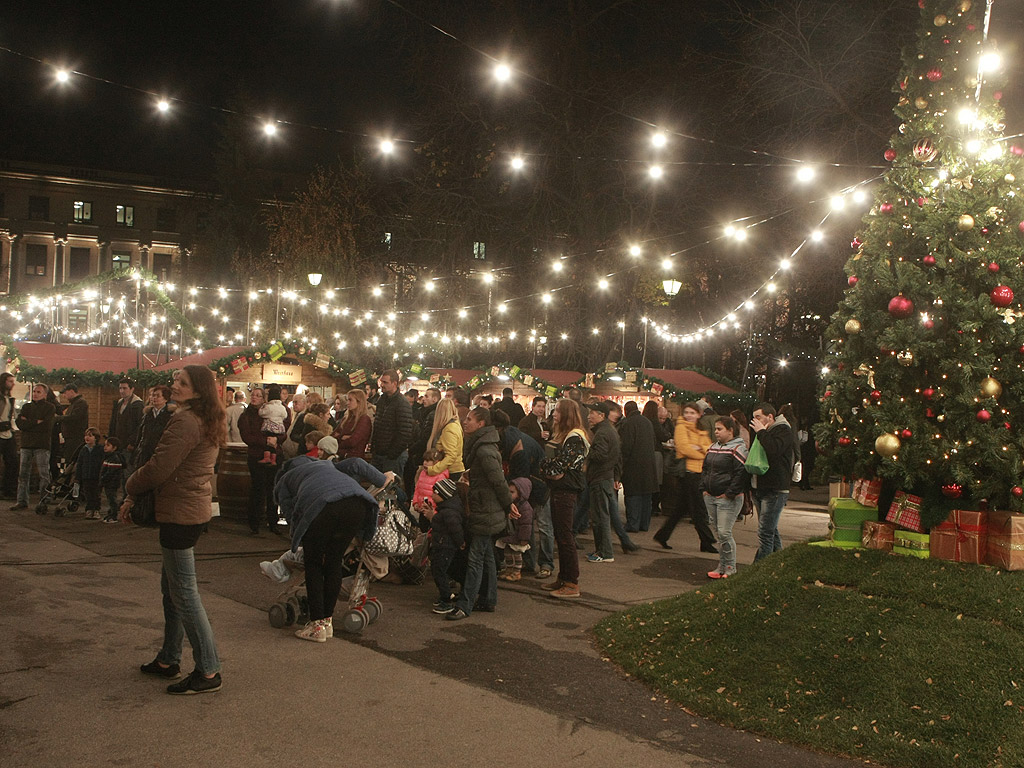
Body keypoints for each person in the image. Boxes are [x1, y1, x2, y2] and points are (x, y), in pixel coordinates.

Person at [121, 365, 226, 694]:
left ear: (198, 390)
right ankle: (168, 658)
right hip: (190, 510)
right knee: (173, 590)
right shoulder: (206, 417)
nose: (174, 385)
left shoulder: (184, 420)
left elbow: (158, 468)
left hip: (180, 513)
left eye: (183, 382)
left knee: (184, 594)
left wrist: (130, 487)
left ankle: (208, 670)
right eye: (175, 380)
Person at [274, 455, 395, 642]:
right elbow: (356, 462)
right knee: (333, 561)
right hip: (358, 504)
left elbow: (288, 510)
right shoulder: (328, 465)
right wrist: (381, 479)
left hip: (323, 506)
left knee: (313, 564)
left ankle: (316, 625)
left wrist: (298, 536)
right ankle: (327, 623)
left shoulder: (286, 478)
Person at [446, 407, 518, 621]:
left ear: (481, 424)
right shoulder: (482, 446)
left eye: (469, 419)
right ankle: (488, 599)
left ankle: (465, 605)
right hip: (486, 508)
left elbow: (498, 481)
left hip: (486, 510)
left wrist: (508, 505)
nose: (464, 421)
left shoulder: (484, 450)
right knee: (486, 556)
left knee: (476, 559)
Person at [538, 399, 589, 597]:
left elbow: (558, 468)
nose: (554, 415)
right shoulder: (565, 435)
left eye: (558, 411)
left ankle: (571, 583)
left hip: (566, 490)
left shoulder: (575, 437)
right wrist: (549, 468)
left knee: (565, 536)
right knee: (560, 535)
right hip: (559, 489)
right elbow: (552, 467)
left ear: (567, 414)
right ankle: (563, 577)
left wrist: (546, 467)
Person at [654, 402, 717, 552]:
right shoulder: (681, 427)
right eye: (687, 412)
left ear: (699, 414)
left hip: (698, 472)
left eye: (692, 413)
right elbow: (683, 449)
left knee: (681, 509)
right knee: (698, 509)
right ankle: (707, 541)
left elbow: (709, 447)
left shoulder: (700, 428)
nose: (689, 415)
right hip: (688, 473)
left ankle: (663, 535)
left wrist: (699, 448)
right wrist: (701, 451)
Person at [584, 401, 633, 562]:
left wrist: (588, 452)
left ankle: (605, 553)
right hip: (605, 477)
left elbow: (601, 455)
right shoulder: (608, 430)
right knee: (601, 516)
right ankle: (601, 551)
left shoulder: (603, 433)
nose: (589, 416)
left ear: (601, 415)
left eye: (592, 413)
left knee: (601, 517)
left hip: (600, 478)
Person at [701, 417, 749, 579]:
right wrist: (704, 489)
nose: (716, 432)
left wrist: (729, 493)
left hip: (728, 499)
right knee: (719, 533)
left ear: (730, 430)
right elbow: (705, 469)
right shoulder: (713, 447)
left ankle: (730, 567)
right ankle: (721, 566)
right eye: (715, 429)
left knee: (724, 532)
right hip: (711, 496)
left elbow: (741, 474)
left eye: (719, 429)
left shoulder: (738, 449)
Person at [750, 402, 796, 562]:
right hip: (759, 486)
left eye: (758, 417)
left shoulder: (783, 430)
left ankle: (759, 567)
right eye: (754, 417)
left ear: (770, 417)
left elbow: (774, 450)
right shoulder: (762, 432)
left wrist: (762, 432)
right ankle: (779, 561)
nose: (755, 421)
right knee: (770, 529)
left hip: (775, 489)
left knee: (765, 532)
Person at [239, 388, 287, 535]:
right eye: (253, 395)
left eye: (258, 396)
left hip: (274, 455)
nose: (255, 398)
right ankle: (254, 523)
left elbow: (283, 432)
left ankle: (273, 522)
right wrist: (266, 441)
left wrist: (276, 440)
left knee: (272, 489)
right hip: (256, 456)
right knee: (257, 489)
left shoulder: (273, 411)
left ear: (263, 398)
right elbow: (247, 436)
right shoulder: (246, 416)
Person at [419, 477, 465, 614]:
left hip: (445, 546)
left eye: (435, 493)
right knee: (438, 570)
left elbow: (455, 530)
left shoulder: (449, 512)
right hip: (442, 544)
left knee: (439, 571)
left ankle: (446, 600)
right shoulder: (447, 509)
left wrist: (460, 542)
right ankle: (445, 596)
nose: (432, 495)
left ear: (444, 495)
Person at [11, 384, 56, 512]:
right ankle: (22, 501)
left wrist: (29, 422)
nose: (35, 394)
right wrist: (36, 422)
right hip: (26, 444)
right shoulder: (26, 407)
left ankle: (44, 500)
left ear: (45, 394)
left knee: (44, 474)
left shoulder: (49, 407)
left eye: (38, 392)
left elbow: (46, 426)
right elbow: (20, 424)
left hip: (42, 444)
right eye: (34, 391)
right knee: (23, 474)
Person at [618, 401, 659, 533]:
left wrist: (621, 465)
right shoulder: (647, 422)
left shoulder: (628, 423)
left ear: (626, 411)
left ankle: (633, 524)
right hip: (649, 465)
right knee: (646, 497)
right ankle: (644, 525)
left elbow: (626, 447)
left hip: (633, 466)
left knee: (633, 496)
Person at [369, 370, 413, 480]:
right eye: (381, 382)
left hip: (393, 456)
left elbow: (405, 432)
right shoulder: (382, 399)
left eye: (385, 382)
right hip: (379, 453)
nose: (382, 385)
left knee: (391, 490)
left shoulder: (402, 403)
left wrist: (392, 453)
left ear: (394, 383)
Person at [497, 477, 534, 582]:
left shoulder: (525, 508)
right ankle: (509, 570)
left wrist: (524, 539)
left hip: (518, 535)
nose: (509, 494)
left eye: (512, 492)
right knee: (508, 553)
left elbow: (526, 525)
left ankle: (516, 572)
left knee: (517, 555)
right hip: (511, 535)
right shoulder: (512, 505)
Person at [423, 397, 465, 480]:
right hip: (451, 471)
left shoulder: (449, 429)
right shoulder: (453, 426)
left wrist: (433, 469)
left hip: (450, 473)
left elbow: (451, 456)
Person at [643, 399, 671, 519]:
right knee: (657, 480)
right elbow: (663, 436)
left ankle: (647, 506)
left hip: (645, 454)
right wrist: (668, 435)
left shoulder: (643, 420)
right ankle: (654, 506)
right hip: (656, 453)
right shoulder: (654, 422)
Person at [56, 384, 89, 468]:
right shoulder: (74, 403)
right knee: (69, 459)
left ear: (71, 391)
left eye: (65, 393)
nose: (64, 395)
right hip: (70, 437)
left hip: (75, 437)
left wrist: (59, 418)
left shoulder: (81, 403)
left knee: (72, 460)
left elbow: (74, 417)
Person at [333, 389, 372, 459]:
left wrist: (339, 439)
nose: (347, 403)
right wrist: (342, 437)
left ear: (359, 402)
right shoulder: (346, 419)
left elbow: (353, 441)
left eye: (350, 400)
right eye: (347, 400)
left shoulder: (364, 419)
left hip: (353, 458)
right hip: (341, 456)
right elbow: (333, 435)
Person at [108, 379, 144, 456]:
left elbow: (139, 425)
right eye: (120, 388)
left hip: (129, 444)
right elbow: (113, 422)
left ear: (132, 389)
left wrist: (132, 442)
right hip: (118, 442)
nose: (122, 391)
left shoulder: (137, 405)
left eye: (124, 388)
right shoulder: (119, 403)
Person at [75, 427, 105, 519]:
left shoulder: (100, 449)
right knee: (88, 494)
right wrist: (77, 477)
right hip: (86, 476)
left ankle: (96, 510)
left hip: (96, 476)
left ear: (95, 438)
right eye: (86, 435)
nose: (87, 438)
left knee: (96, 494)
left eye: (90, 436)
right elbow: (79, 463)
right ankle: (89, 509)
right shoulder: (83, 450)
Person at [258, 385, 289, 465]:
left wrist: (262, 407)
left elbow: (262, 414)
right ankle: (273, 460)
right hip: (279, 429)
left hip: (269, 428)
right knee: (274, 445)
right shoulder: (282, 407)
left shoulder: (268, 406)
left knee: (268, 443)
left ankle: (267, 457)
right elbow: (285, 416)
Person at [0, 372, 19, 499]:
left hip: (8, 431)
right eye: (10, 381)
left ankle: (9, 489)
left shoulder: (9, 399)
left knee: (13, 461)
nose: (12, 384)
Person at [100, 436, 127, 524]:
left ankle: (114, 515)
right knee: (110, 498)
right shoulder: (108, 457)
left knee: (112, 499)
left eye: (108, 445)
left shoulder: (114, 458)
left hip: (112, 483)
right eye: (105, 445)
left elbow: (110, 473)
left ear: (114, 447)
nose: (105, 447)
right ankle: (111, 513)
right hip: (109, 482)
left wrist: (103, 479)